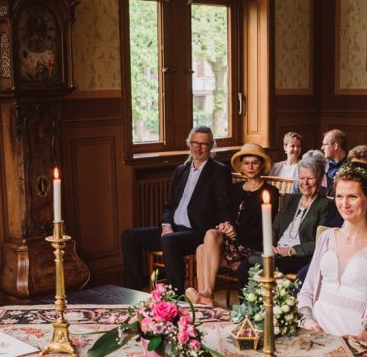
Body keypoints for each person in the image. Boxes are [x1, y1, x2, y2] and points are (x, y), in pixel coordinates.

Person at [121, 126, 231, 293]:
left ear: (211, 146)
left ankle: (175, 295)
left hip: (197, 232)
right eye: (195, 143)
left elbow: (223, 205)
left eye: (203, 144)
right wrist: (166, 225)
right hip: (173, 230)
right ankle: (133, 292)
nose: (198, 148)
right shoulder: (181, 170)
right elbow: (169, 205)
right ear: (189, 143)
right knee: (129, 237)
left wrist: (223, 227)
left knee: (169, 241)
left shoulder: (219, 171)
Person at [297, 163, 367, 339]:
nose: (344, 204)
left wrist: (363, 334)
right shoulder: (326, 237)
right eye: (339, 196)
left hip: (352, 330)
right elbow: (307, 290)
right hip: (315, 326)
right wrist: (308, 321)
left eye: (352, 196)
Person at [186, 143, 279, 306]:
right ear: (242, 166)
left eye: (255, 162)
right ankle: (206, 296)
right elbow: (223, 214)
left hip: (250, 245)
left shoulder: (270, 192)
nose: (250, 167)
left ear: (262, 165)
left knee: (204, 246)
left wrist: (235, 233)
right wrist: (224, 225)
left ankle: (207, 294)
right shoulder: (234, 189)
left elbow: (265, 226)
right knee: (206, 241)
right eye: (246, 163)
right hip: (230, 244)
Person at [237, 155, 330, 290]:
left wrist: (292, 250)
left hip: (299, 256)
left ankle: (269, 308)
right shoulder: (289, 199)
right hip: (276, 251)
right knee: (244, 267)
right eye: (302, 178)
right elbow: (274, 229)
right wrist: (271, 246)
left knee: (269, 269)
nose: (305, 182)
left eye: (310, 178)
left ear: (320, 179)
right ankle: (250, 309)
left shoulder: (325, 204)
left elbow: (322, 240)